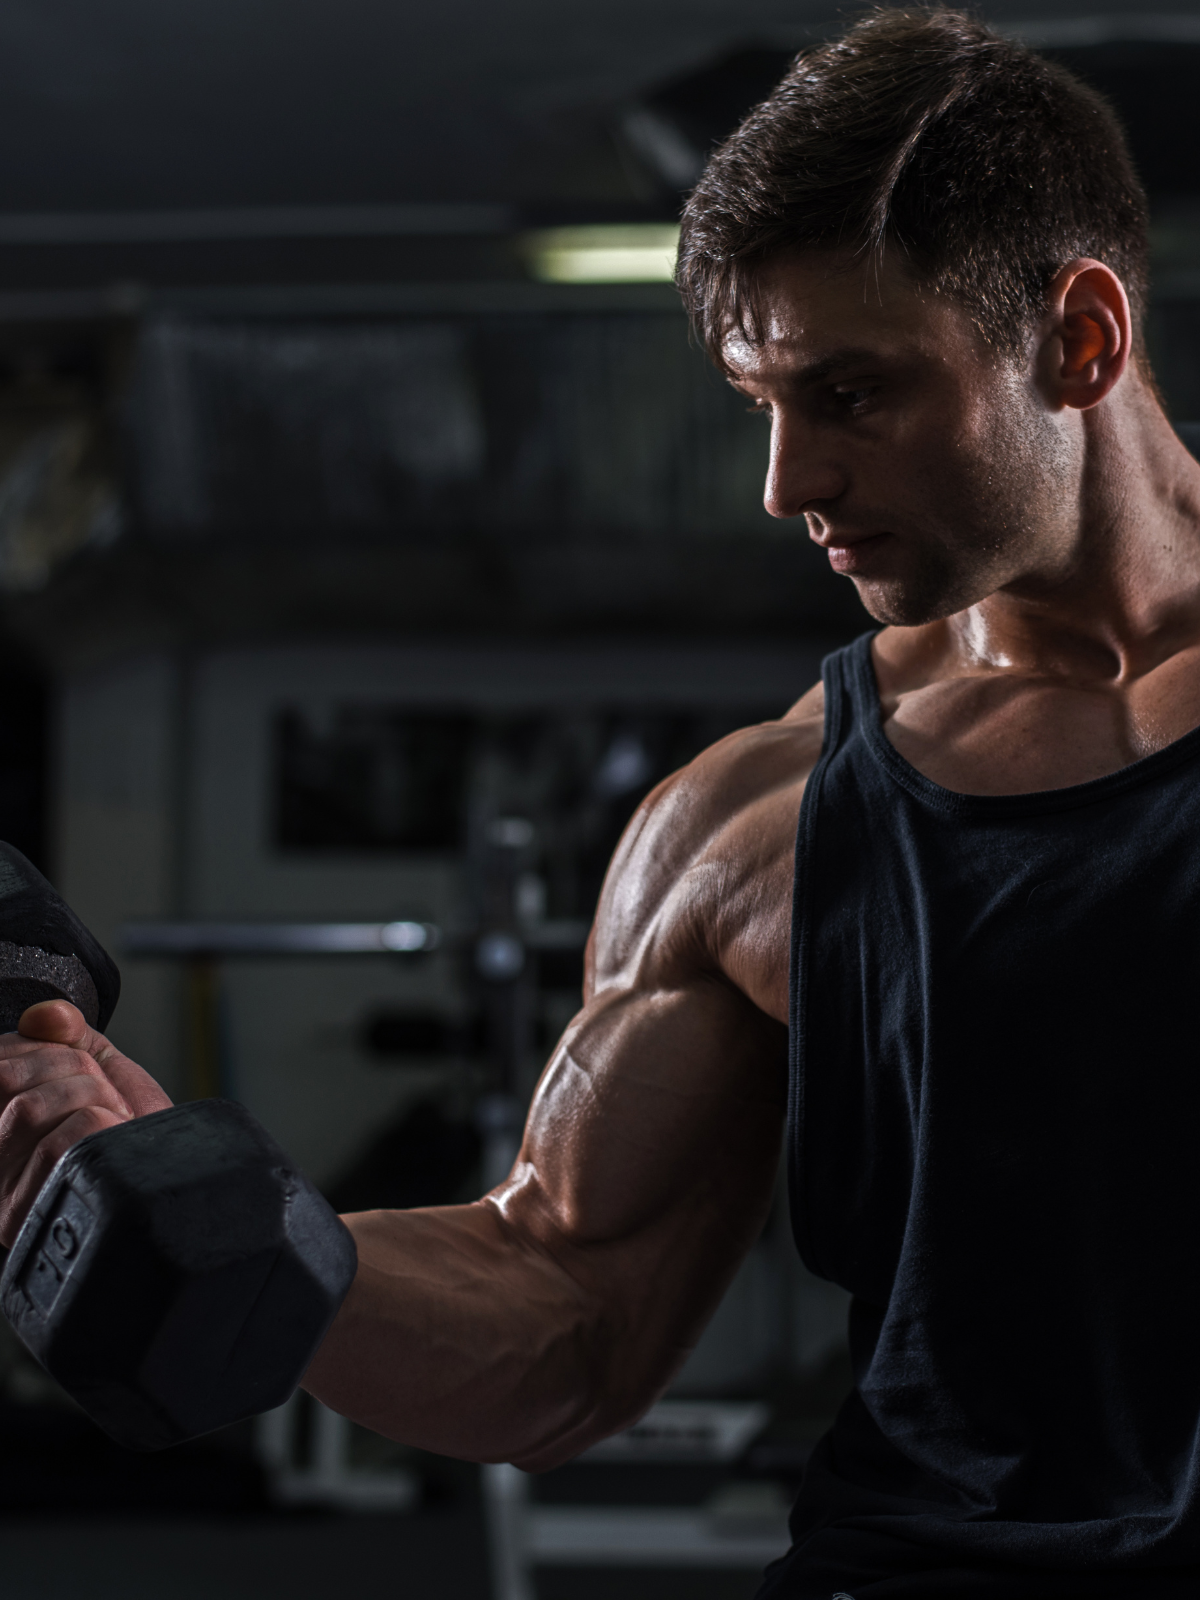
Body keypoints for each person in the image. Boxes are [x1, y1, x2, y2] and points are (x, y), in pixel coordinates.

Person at [2, 7, 1200, 1594]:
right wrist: (216, 1230)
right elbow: (566, 1313)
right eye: (759, 401)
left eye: (851, 392)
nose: (787, 484)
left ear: (1083, 340)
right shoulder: (753, 828)